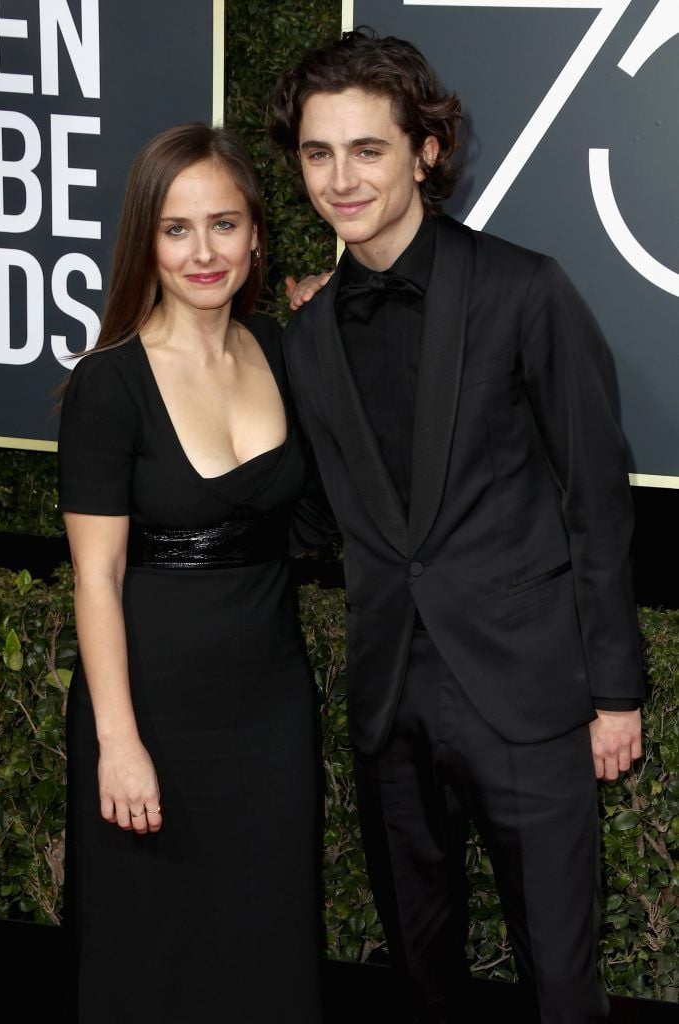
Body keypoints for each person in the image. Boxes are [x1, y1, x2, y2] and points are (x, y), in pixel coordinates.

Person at [270, 28, 644, 1024]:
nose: (339, 178)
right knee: (421, 970)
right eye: (317, 153)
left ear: (424, 151)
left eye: (366, 149)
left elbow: (595, 494)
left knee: (560, 979)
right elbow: (308, 512)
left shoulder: (525, 290)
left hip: (525, 689)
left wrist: (614, 689)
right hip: (390, 699)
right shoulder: (305, 338)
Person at [58, 123, 325, 1023]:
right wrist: (117, 741)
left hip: (271, 702)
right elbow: (96, 578)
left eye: (224, 224)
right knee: (154, 948)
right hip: (154, 709)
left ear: (255, 234)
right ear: (147, 240)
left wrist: (329, 320)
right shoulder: (110, 384)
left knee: (268, 937)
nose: (203, 251)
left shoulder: (283, 353)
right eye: (177, 229)